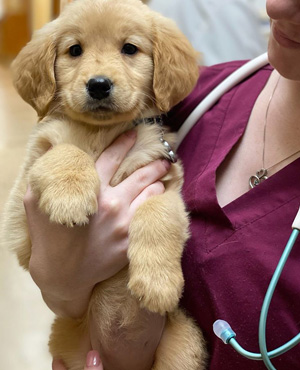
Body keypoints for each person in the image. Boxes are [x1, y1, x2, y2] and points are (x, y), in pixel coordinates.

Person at [25, 0, 300, 369]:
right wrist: (63, 283)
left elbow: (163, 197)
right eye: (75, 50)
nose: (99, 74)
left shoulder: (164, 100)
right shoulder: (202, 97)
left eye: (129, 49)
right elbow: (35, 244)